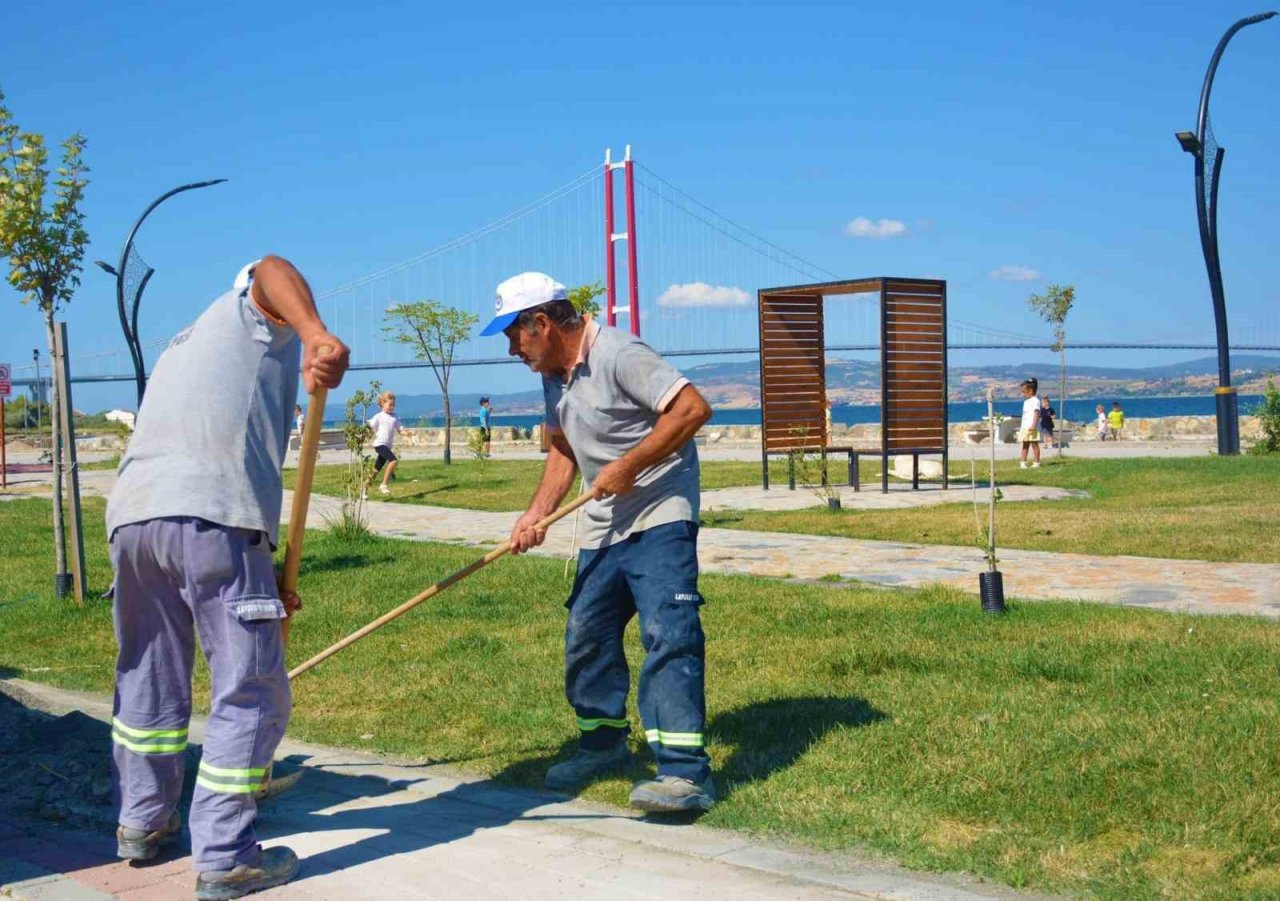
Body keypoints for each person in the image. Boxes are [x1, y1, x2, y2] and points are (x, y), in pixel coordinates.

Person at [105, 256, 349, 899]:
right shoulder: (252, 313)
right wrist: (315, 332)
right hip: (214, 515)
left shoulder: (186, 343)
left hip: (134, 521)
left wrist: (262, 569)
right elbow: (271, 266)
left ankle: (142, 822)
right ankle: (225, 856)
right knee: (253, 688)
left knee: (149, 678)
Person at [483, 271, 716, 813]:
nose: (512, 349)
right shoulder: (553, 373)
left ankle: (685, 774)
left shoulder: (619, 353)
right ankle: (603, 745)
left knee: (669, 633)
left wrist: (629, 465)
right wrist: (536, 514)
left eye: (513, 335)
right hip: (601, 523)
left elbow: (692, 410)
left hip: (660, 513)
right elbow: (563, 449)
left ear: (542, 323)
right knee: (587, 636)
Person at [366, 391, 402, 496]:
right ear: (382, 403)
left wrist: (407, 433)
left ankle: (365, 488)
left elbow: (400, 429)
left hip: (387, 446)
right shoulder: (379, 416)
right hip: (379, 444)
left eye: (393, 405)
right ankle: (383, 485)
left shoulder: (395, 417)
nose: (392, 407)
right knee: (393, 460)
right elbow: (370, 425)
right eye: (390, 405)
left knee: (376, 469)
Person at [1018, 378, 1041, 469]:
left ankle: (1036, 462)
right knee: (1025, 445)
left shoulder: (1036, 401)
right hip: (1025, 427)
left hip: (1032, 427)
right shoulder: (1026, 402)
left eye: (1024, 392)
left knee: (1034, 445)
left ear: (1030, 391)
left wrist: (1033, 426)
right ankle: (1023, 462)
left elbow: (1036, 413)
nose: (1023, 394)